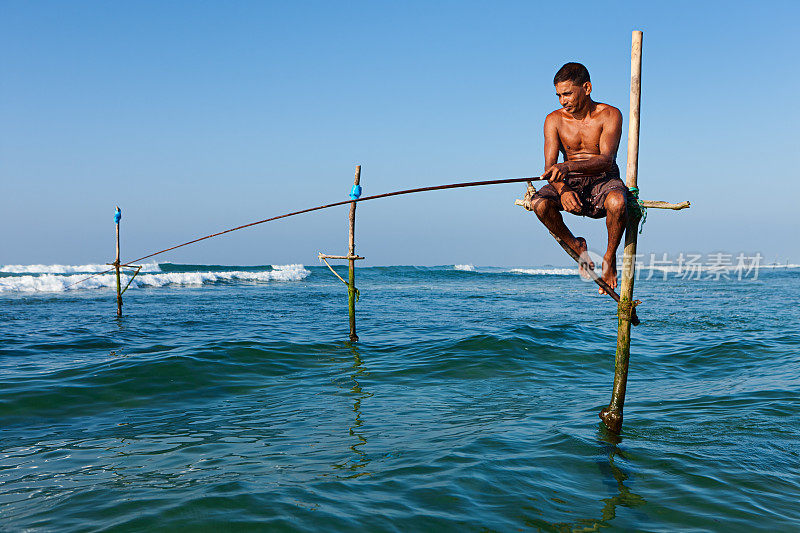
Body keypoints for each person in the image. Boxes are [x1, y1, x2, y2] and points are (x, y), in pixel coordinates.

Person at [531, 62, 627, 294]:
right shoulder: (553, 119)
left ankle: (609, 256)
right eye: (559, 95)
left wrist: (568, 165)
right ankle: (576, 245)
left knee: (618, 202)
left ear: (587, 87)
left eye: (567, 94)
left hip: (603, 178)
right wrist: (563, 190)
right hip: (569, 180)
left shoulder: (610, 114)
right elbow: (549, 167)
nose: (563, 101)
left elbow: (607, 160)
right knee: (539, 205)